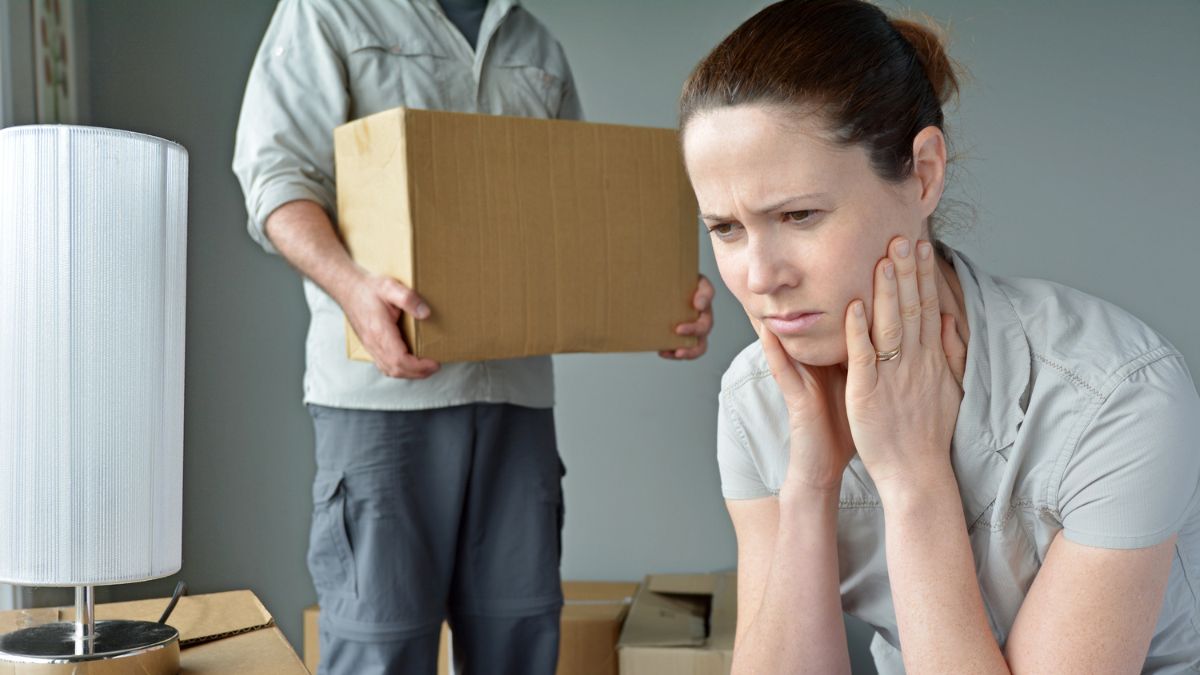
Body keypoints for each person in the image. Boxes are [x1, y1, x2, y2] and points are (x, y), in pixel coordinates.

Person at [678, 1, 1200, 672]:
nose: (760, 275)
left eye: (800, 214)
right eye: (725, 228)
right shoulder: (756, 399)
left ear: (923, 173)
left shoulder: (1117, 395)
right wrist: (809, 478)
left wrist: (913, 475)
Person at [232, 1, 714, 674]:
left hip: (516, 402)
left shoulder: (535, 42)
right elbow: (276, 177)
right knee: (382, 651)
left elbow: (569, 206)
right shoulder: (328, 13)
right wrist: (350, 285)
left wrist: (656, 298)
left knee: (518, 648)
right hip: (382, 401)